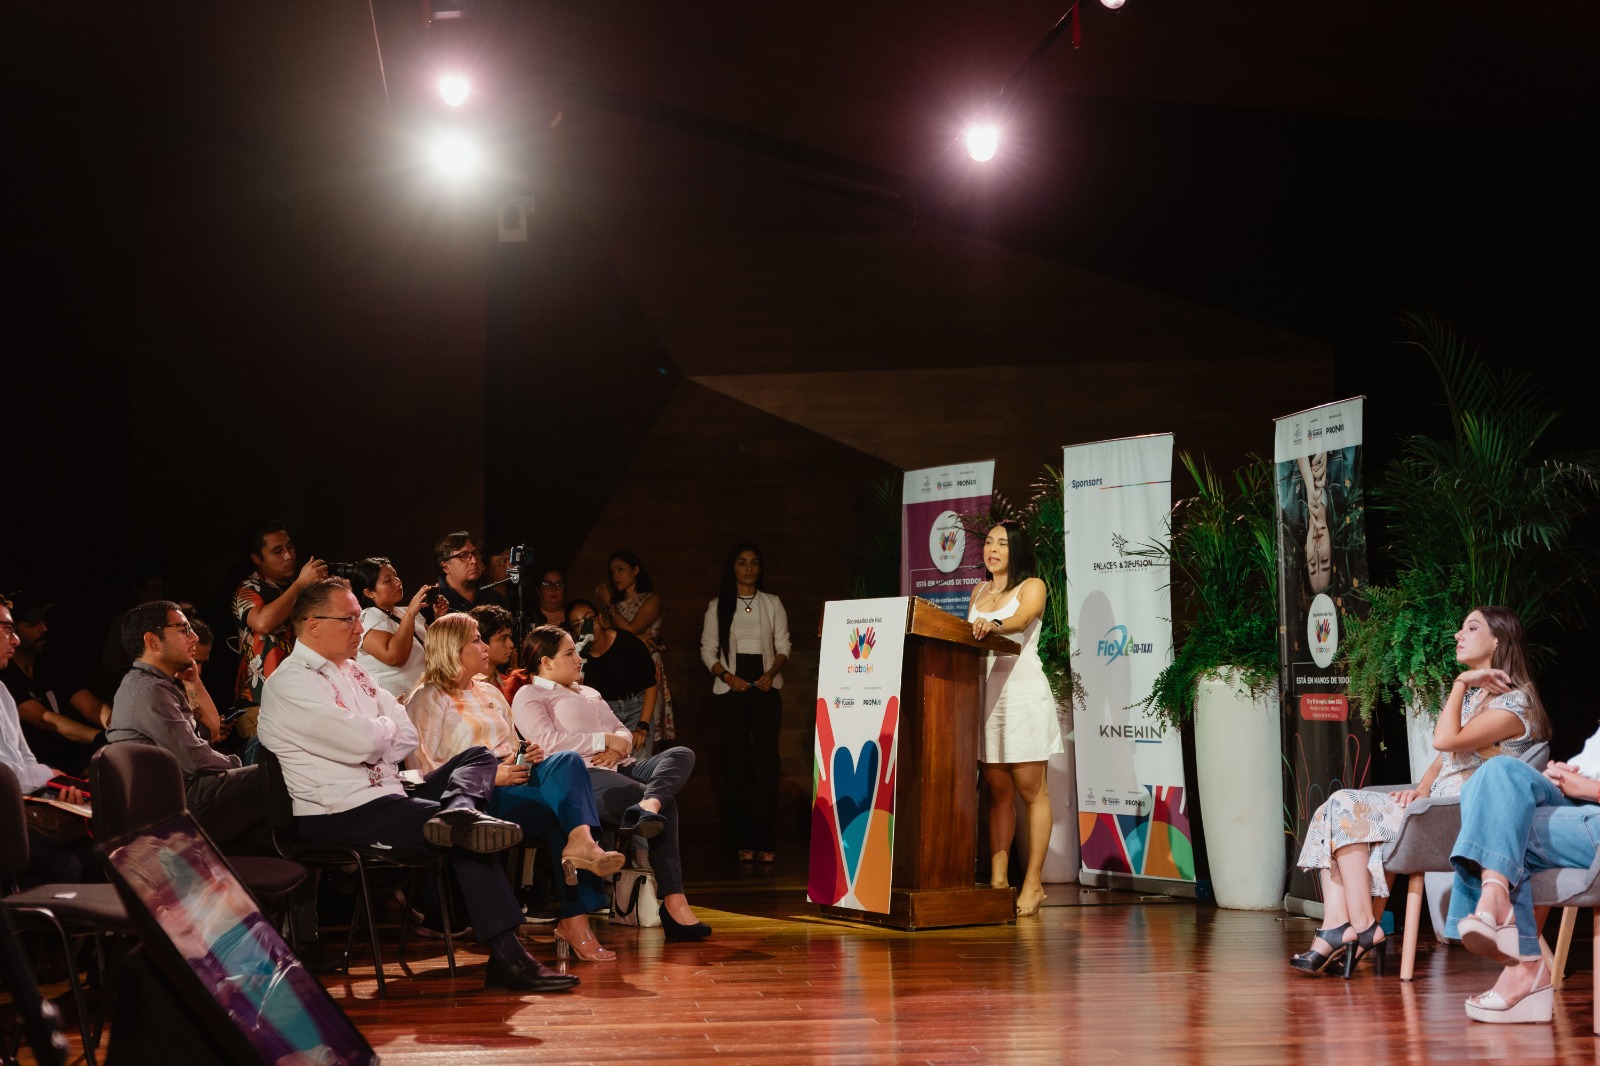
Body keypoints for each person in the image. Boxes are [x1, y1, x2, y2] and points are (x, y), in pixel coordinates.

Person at [256, 579, 576, 993]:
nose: (360, 628)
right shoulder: (292, 682)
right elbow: (365, 741)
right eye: (351, 619)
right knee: (468, 833)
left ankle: (461, 805)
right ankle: (508, 957)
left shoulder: (355, 673)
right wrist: (377, 735)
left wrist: (375, 735)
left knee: (477, 757)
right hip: (339, 812)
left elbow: (403, 737)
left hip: (390, 798)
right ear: (313, 624)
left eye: (358, 618)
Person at [1292, 606, 1546, 979]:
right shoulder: (1479, 699)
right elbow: (1444, 758)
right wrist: (1421, 789)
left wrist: (1460, 682)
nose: (1458, 635)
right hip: (1433, 805)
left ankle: (1357, 929)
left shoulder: (1515, 704)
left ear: (1498, 640)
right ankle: (1345, 925)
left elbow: (1445, 739)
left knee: (1345, 805)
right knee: (1336, 807)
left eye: (1471, 628)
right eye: (1460, 627)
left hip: (1462, 816)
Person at [406, 614, 625, 961]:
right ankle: (575, 919)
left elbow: (511, 746)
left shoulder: (491, 691)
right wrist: (492, 776)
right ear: (452, 649)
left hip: (515, 780)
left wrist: (527, 754)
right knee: (561, 817)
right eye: (476, 640)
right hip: (472, 798)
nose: (484, 646)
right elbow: (423, 772)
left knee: (565, 761)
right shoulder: (427, 698)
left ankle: (581, 843)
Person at [510, 625, 710, 941]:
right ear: (546, 662)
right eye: (570, 653)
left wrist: (620, 742)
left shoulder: (587, 691)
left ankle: (649, 804)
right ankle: (674, 901)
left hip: (622, 765)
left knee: (681, 754)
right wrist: (601, 741)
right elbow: (547, 743)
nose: (579, 658)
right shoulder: (530, 694)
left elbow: (621, 729)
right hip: (582, 777)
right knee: (666, 801)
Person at [107, 600, 273, 851]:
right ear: (153, 641)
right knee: (279, 773)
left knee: (272, 818)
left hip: (189, 792)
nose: (194, 637)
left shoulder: (158, 684)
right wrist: (241, 766)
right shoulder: (148, 690)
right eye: (183, 630)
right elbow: (196, 761)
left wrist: (194, 679)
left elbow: (213, 731)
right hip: (176, 805)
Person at [967, 520, 1063, 918]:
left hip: (1022, 696)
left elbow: (1022, 621)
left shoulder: (1032, 586)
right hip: (986, 698)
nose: (993, 549)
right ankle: (997, 882)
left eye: (1002, 544)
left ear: (1016, 550)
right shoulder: (977, 590)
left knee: (1030, 792)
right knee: (998, 793)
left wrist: (994, 624)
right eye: (989, 543)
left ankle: (1034, 883)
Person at [699, 543, 790, 864]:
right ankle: (740, 840)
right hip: (731, 689)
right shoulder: (717, 605)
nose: (749, 568)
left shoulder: (772, 603)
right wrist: (727, 677)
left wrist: (771, 672)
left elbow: (784, 645)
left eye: (754, 562)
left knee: (766, 761)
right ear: (732, 568)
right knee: (736, 762)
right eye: (742, 562)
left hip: (766, 685)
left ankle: (765, 840)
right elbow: (707, 650)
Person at [0, 594, 97, 885]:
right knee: (63, 867)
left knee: (102, 855)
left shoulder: (2, 691)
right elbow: (6, 776)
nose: (15, 640)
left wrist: (53, 788)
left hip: (20, 809)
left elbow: (24, 758)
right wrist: (51, 775)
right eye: (6, 629)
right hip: (7, 818)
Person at [0, 589, 111, 776]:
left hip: (64, 764)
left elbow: (93, 707)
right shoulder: (6, 677)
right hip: (49, 763)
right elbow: (44, 720)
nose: (44, 628)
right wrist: (104, 738)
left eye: (43, 620)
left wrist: (121, 728)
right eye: (33, 623)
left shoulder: (51, 666)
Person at [231, 520, 328, 709]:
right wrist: (300, 584)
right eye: (277, 551)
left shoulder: (301, 586)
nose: (288, 556)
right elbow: (263, 623)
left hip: (304, 691)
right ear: (257, 558)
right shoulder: (248, 588)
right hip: (261, 696)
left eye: (289, 547)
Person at [595, 550, 674, 748]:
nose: (615, 576)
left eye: (621, 569)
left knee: (648, 723)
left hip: (646, 662)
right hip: (622, 666)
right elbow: (609, 635)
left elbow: (630, 629)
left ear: (636, 570)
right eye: (612, 572)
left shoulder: (651, 599)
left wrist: (608, 603)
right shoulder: (616, 605)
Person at [565, 599, 657, 753]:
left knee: (639, 762)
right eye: (577, 624)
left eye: (589, 620)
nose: (585, 627)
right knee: (611, 763)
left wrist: (642, 726)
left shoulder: (627, 642)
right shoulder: (576, 656)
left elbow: (650, 685)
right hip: (605, 712)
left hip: (636, 706)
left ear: (600, 619)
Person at [352, 557, 434, 700]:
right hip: (394, 705)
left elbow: (436, 645)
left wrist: (439, 616)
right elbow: (395, 657)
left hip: (424, 699)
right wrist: (410, 614)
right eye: (388, 580)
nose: (397, 582)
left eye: (395, 575)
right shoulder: (366, 618)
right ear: (369, 592)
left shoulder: (404, 611)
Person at [431, 531, 506, 617]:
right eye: (464, 555)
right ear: (445, 567)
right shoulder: (434, 601)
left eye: (476, 553)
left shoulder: (495, 599)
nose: (474, 561)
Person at [469, 604, 518, 686]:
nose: (511, 644)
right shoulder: (461, 687)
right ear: (480, 640)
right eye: (503, 638)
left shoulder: (510, 687)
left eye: (509, 637)